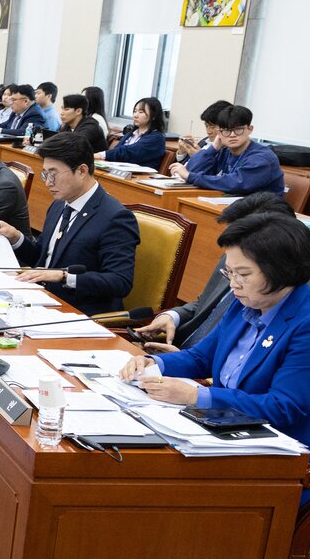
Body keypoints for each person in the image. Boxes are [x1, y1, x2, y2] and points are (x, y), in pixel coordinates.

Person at [119, 213, 310, 447]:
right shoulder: (244, 302)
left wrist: (197, 396)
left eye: (243, 274)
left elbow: (283, 406)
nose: (233, 284)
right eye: (229, 272)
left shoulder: (304, 321)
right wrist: (154, 364)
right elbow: (202, 356)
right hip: (221, 430)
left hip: (278, 450)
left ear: (282, 271)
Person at [0, 132, 139, 315]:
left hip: (77, 313)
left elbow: (120, 282)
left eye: (54, 174)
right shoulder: (60, 205)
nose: (48, 182)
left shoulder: (115, 217)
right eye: (45, 174)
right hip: (41, 299)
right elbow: (42, 258)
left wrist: (64, 277)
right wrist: (16, 237)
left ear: (82, 171)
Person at [134, 192, 295, 351]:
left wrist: (187, 366)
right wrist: (171, 317)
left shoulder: (279, 299)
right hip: (181, 351)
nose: (230, 249)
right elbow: (203, 304)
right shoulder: (231, 259)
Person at [171, 104, 286, 196]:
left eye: (238, 129)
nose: (232, 135)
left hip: (264, 214)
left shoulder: (262, 157)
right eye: (226, 130)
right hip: (232, 207)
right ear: (219, 133)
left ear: (250, 129)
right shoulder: (224, 151)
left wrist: (190, 176)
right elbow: (192, 171)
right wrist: (213, 149)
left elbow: (236, 183)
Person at [98, 96, 166, 170]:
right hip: (120, 172)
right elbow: (117, 150)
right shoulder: (131, 134)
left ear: (154, 116)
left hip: (139, 177)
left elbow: (130, 152)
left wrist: (101, 155)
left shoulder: (156, 138)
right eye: (135, 111)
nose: (135, 115)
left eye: (141, 112)